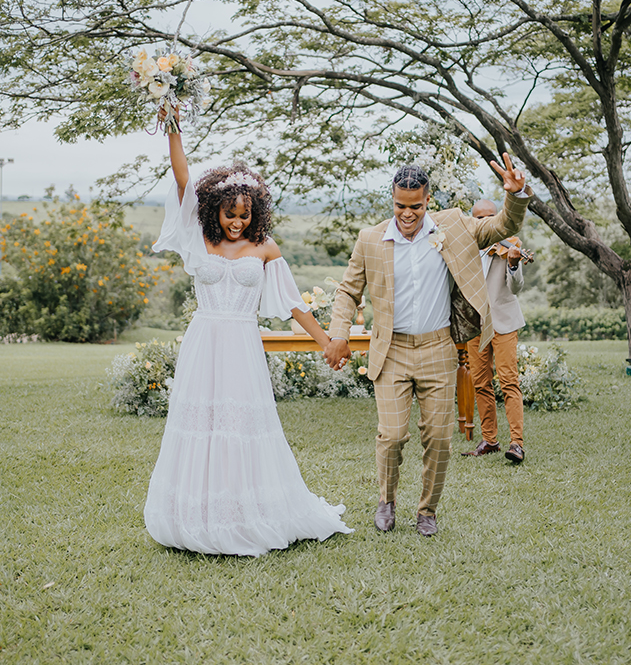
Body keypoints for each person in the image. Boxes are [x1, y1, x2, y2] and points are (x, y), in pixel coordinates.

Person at [144, 132, 353, 555]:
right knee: (201, 426)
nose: (236, 222)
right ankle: (198, 515)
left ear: (255, 212)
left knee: (239, 427)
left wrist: (327, 341)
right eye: (229, 214)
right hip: (204, 343)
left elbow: (294, 304)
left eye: (244, 214)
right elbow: (182, 179)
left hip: (241, 344)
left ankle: (243, 514)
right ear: (213, 210)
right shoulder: (198, 238)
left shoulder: (264, 247)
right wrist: (173, 126)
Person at [324, 154, 532, 536]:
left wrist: (515, 196)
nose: (407, 214)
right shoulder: (371, 239)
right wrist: (339, 333)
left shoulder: (453, 226)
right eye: (400, 206)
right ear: (392, 200)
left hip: (438, 348)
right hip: (391, 351)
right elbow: (348, 291)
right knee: (392, 435)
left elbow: (503, 226)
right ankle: (386, 500)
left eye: (415, 206)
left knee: (438, 437)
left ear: (428, 199)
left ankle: (427, 510)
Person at [462, 199, 526, 463]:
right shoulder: (465, 249)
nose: (485, 222)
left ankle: (517, 443)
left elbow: (517, 287)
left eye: (490, 217)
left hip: (503, 322)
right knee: (480, 383)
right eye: (479, 218)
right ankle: (490, 440)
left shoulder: (509, 245)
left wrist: (513, 264)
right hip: (475, 324)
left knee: (509, 381)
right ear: (472, 221)